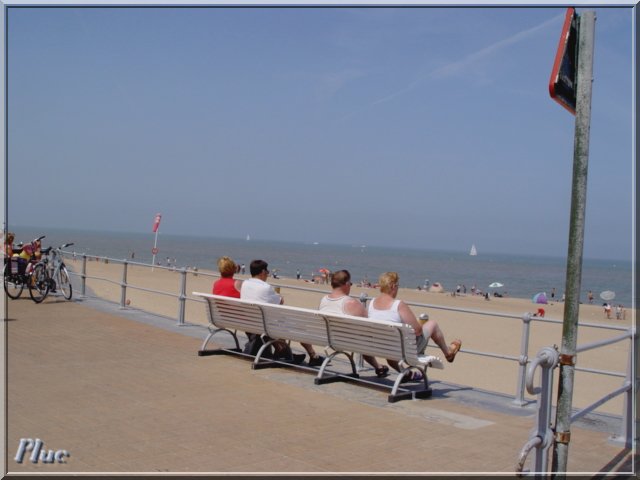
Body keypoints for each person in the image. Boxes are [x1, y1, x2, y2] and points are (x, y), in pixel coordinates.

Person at [367, 272, 462, 381]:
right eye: (397, 286)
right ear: (393, 286)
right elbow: (417, 330)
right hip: (402, 351)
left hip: (380, 348)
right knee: (432, 324)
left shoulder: (372, 303)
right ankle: (448, 352)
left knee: (394, 344)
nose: (397, 289)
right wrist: (419, 324)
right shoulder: (398, 305)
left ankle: (407, 374)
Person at [241, 259, 324, 366]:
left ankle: (283, 351)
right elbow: (280, 301)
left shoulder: (245, 284)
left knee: (279, 322)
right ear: (262, 272)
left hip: (249, 323)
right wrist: (279, 296)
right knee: (300, 327)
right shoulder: (265, 287)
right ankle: (313, 356)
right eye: (267, 271)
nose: (268, 274)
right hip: (265, 326)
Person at [318, 270, 389, 378]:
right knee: (363, 338)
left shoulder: (323, 300)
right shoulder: (350, 303)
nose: (350, 286)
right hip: (348, 342)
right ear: (346, 284)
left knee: (361, 339)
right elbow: (369, 325)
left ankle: (378, 366)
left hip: (327, 338)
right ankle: (378, 367)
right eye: (350, 284)